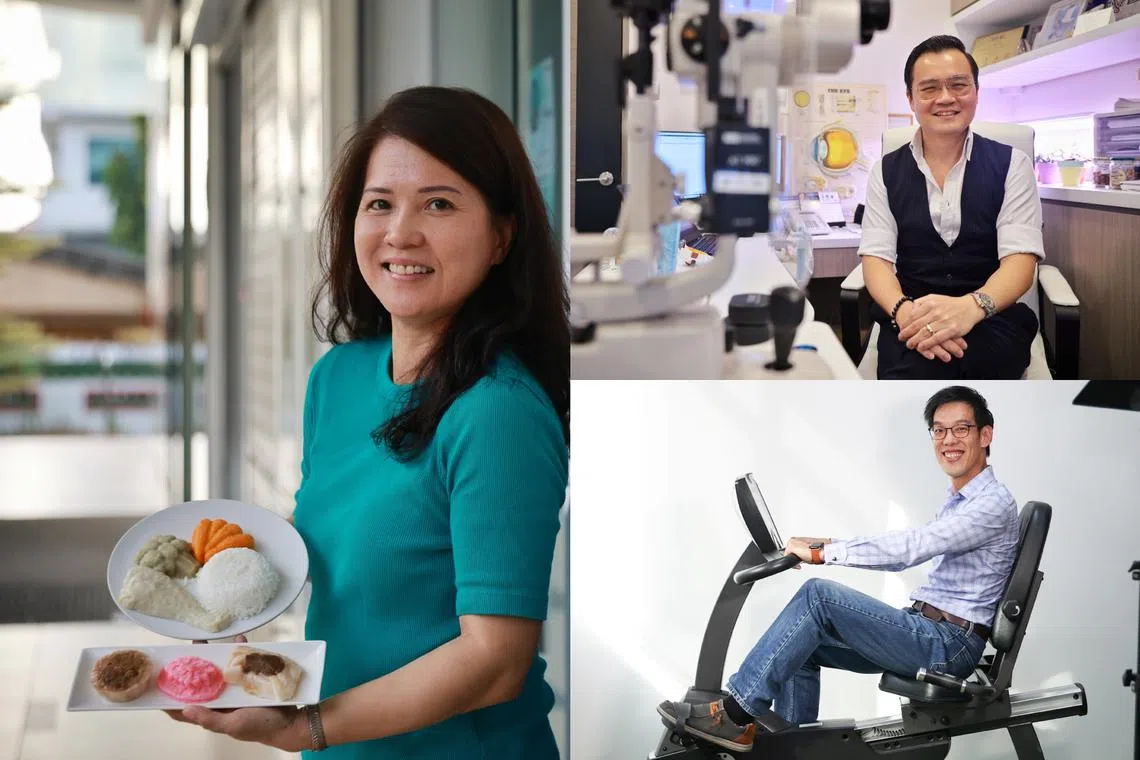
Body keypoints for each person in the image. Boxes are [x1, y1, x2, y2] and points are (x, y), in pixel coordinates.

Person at [169, 86, 569, 758]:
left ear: (501, 236)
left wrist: (306, 726)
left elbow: (495, 661)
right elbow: (345, 544)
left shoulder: (496, 411)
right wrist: (219, 586)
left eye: (439, 204)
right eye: (380, 203)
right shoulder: (340, 376)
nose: (400, 232)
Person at [658, 386, 1019, 752]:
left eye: (960, 429)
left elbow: (912, 548)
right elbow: (905, 551)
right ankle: (791, 751)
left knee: (818, 596)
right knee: (801, 641)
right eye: (939, 430)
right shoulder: (963, 500)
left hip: (945, 645)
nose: (948, 440)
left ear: (985, 435)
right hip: (931, 632)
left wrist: (821, 554)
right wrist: (824, 546)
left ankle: (733, 717)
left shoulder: (989, 504)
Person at [859, 35, 1044, 380]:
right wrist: (905, 312)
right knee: (911, 380)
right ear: (911, 99)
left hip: (992, 314)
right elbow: (876, 260)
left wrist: (970, 308)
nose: (945, 98)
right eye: (929, 88)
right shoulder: (884, 171)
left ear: (976, 91)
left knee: (987, 377)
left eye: (958, 85)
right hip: (912, 315)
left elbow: (1021, 260)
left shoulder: (1013, 165)